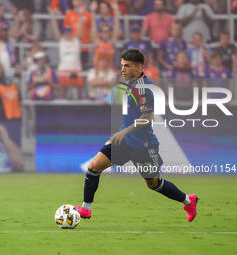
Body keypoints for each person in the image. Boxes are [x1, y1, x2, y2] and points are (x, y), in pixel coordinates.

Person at [75, 49, 199, 222]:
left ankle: (188, 200)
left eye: (127, 66)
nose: (123, 70)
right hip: (124, 142)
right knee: (94, 167)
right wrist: (119, 134)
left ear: (139, 67)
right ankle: (86, 209)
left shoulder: (144, 88)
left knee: (153, 184)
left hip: (143, 145)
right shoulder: (131, 84)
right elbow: (132, 115)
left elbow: (148, 118)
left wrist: (124, 131)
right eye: (122, 66)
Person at [49, 7, 83, 99]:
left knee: (77, 94)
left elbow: (80, 30)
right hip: (63, 69)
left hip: (76, 69)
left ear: (72, 33)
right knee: (63, 92)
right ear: (63, 34)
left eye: (69, 32)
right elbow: (55, 30)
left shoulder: (76, 41)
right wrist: (52, 16)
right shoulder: (61, 41)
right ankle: (62, 109)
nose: (67, 34)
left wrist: (80, 15)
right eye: (66, 33)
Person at [90, 0, 120, 67]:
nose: (105, 33)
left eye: (107, 31)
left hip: (111, 69)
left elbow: (116, 26)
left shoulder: (112, 41)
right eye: (103, 31)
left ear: (110, 33)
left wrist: (116, 10)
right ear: (100, 33)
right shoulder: (98, 42)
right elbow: (93, 26)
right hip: (99, 69)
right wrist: (92, 11)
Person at [63, 0, 91, 67]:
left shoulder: (87, 14)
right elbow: (65, 30)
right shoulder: (69, 14)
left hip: (84, 44)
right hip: (73, 45)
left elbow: (91, 29)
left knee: (83, 65)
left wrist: (91, 43)